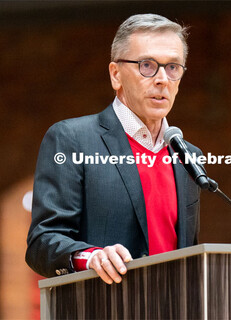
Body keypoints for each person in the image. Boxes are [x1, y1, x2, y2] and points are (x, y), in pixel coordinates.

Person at [26, 13, 201, 285]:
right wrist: (90, 257)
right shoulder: (73, 140)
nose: (162, 79)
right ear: (116, 74)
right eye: (147, 65)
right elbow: (42, 244)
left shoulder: (188, 155)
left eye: (173, 67)